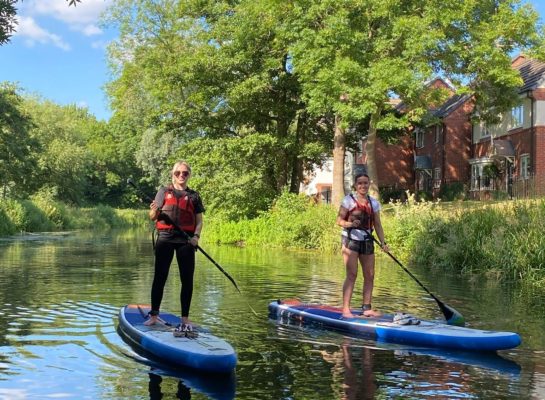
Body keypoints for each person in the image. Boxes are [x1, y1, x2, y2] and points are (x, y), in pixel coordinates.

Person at [144, 160, 205, 337]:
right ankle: (154, 315)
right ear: (173, 174)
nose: (181, 176)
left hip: (186, 241)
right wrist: (155, 211)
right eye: (178, 173)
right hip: (165, 238)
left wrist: (196, 237)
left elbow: (199, 221)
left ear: (189, 175)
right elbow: (152, 216)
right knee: (160, 277)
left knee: (187, 280)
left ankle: (185, 319)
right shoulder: (164, 191)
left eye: (185, 173)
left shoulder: (194, 196)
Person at [336, 173, 389, 318]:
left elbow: (377, 225)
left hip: (367, 241)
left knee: (370, 275)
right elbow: (339, 221)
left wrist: (383, 243)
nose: (363, 186)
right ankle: (346, 309)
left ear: (369, 184)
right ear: (355, 185)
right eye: (360, 183)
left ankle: (367, 308)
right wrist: (350, 224)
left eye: (365, 183)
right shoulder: (348, 200)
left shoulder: (374, 203)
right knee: (352, 274)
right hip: (350, 240)